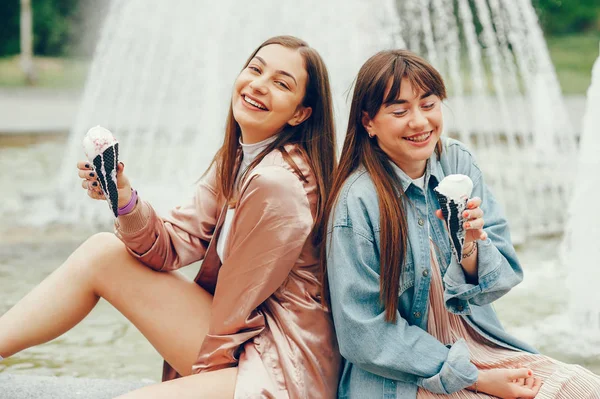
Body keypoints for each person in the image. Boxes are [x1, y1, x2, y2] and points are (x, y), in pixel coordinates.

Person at [0, 35, 341, 399]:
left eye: (281, 83)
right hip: (246, 341)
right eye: (256, 69)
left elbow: (236, 307)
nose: (259, 85)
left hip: (282, 366)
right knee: (102, 252)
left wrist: (194, 385)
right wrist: (123, 196)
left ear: (300, 113)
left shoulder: (277, 183)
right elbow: (168, 248)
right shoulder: (237, 159)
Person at [322, 49, 600, 399]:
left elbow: (502, 277)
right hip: (403, 375)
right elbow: (363, 335)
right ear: (368, 122)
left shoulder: (456, 160)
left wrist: (469, 245)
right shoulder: (356, 202)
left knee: (586, 388)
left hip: (478, 345)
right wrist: (475, 379)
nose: (420, 122)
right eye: (399, 111)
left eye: (428, 104)